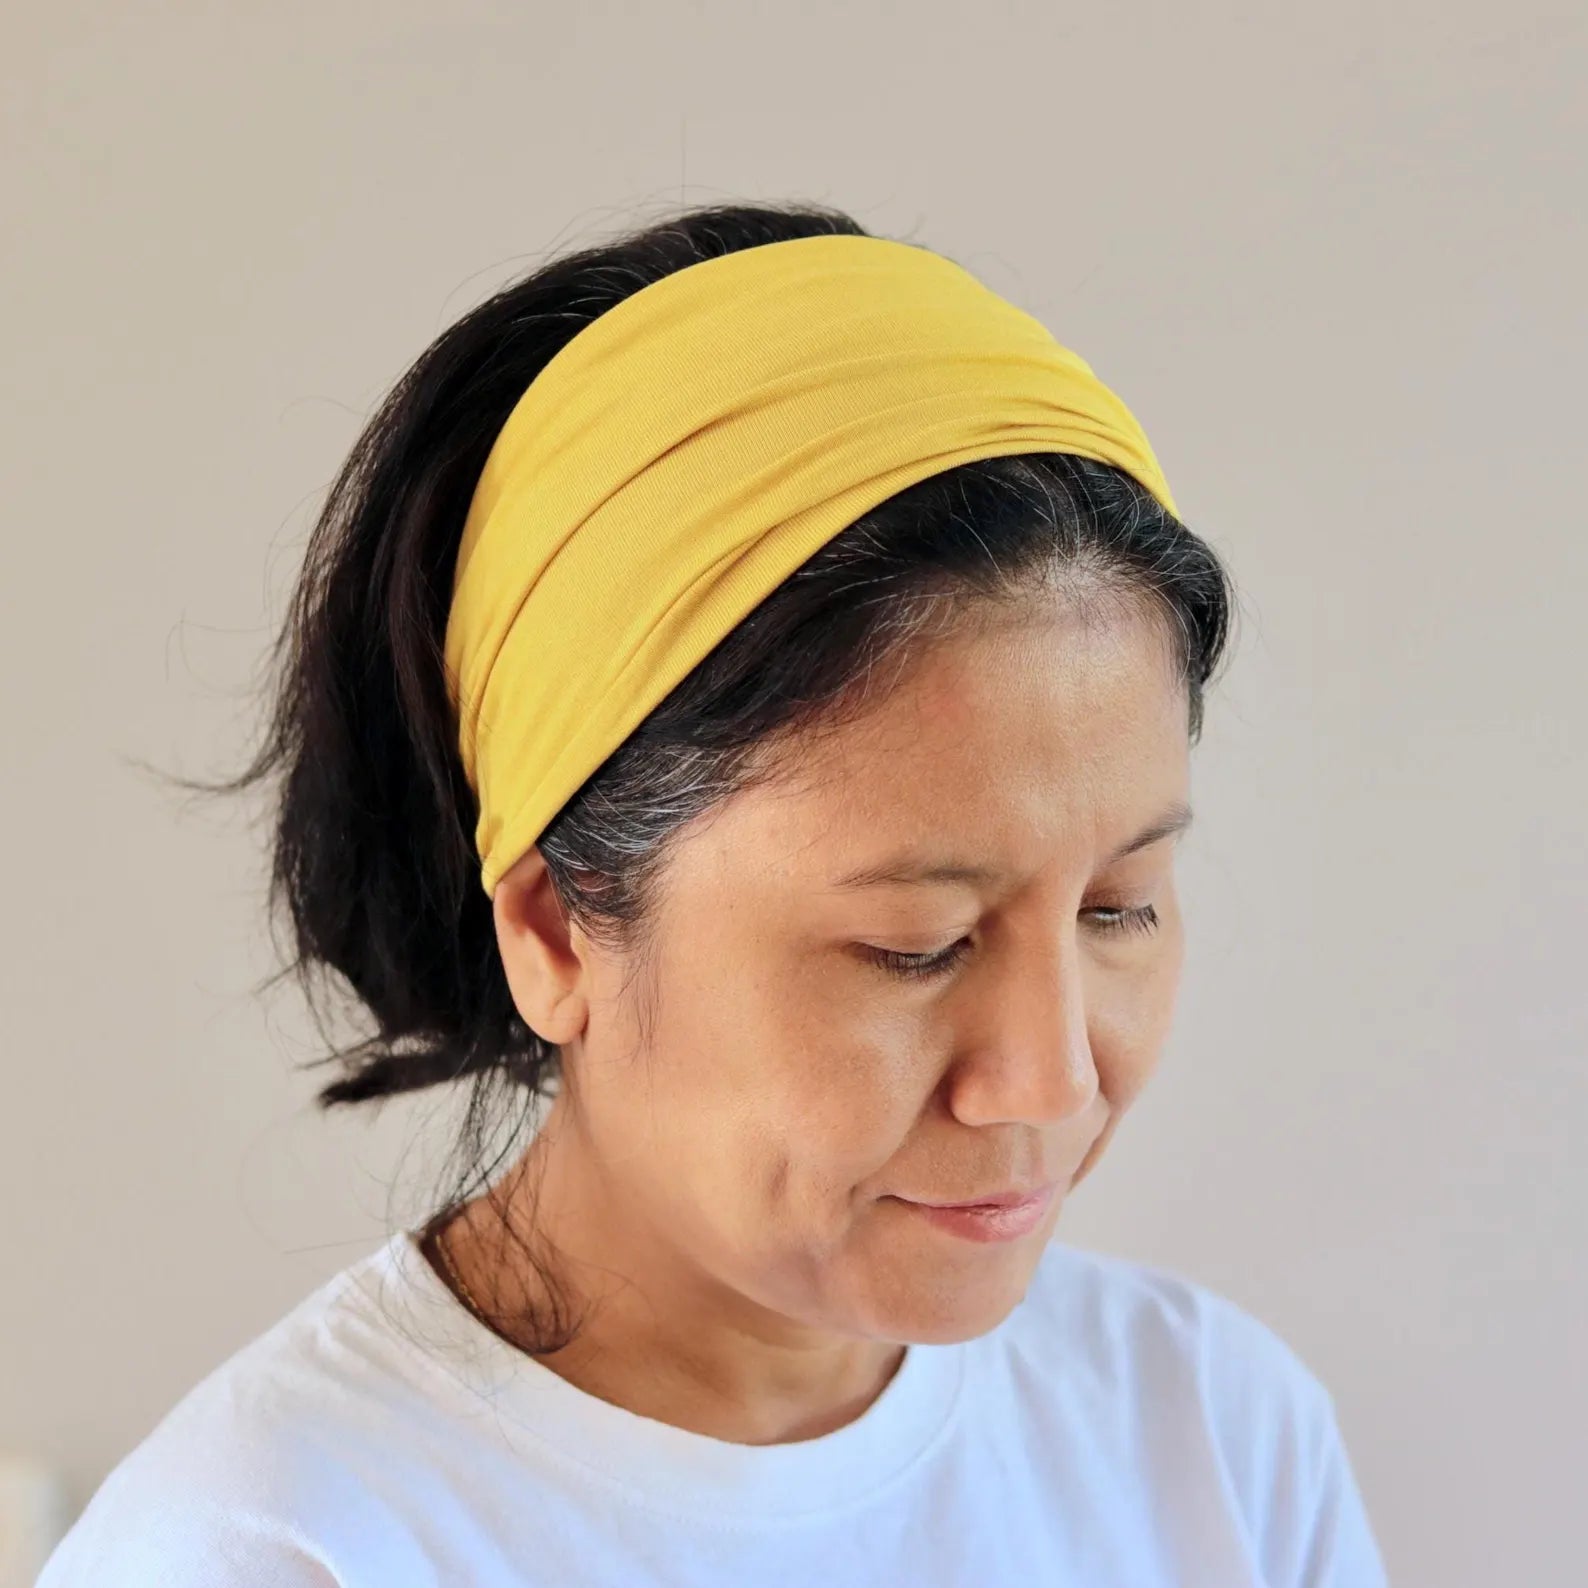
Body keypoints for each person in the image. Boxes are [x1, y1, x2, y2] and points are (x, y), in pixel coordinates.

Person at [38, 199, 1390, 1585]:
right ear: (557, 929)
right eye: (915, 946)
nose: (1047, 1082)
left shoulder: (1212, 1440)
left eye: (1122, 908)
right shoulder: (275, 1550)